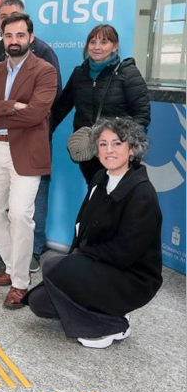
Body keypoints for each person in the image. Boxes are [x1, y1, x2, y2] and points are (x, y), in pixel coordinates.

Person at [24, 118, 162, 349]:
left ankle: (111, 325)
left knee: (52, 267)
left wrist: (77, 260)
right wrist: (74, 261)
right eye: (103, 144)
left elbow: (124, 253)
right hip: (98, 264)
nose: (109, 150)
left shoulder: (142, 194)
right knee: (39, 303)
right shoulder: (100, 179)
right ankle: (109, 314)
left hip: (131, 278)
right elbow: (83, 228)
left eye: (117, 144)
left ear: (132, 150)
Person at [0, 12, 58, 310]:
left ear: (30, 38)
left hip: (26, 152)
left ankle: (21, 282)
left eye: (20, 35)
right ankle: (11, 268)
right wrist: (10, 106)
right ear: (2, 38)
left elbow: (36, 113)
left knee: (20, 215)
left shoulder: (44, 70)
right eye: (9, 36)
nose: (14, 41)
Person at [52, 24, 151, 184]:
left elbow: (142, 114)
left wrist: (127, 145)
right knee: (96, 194)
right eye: (92, 42)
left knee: (118, 198)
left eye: (104, 42)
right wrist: (41, 133)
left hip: (117, 151)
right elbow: (59, 110)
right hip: (89, 151)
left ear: (115, 46)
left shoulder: (128, 73)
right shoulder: (79, 73)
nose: (96, 47)